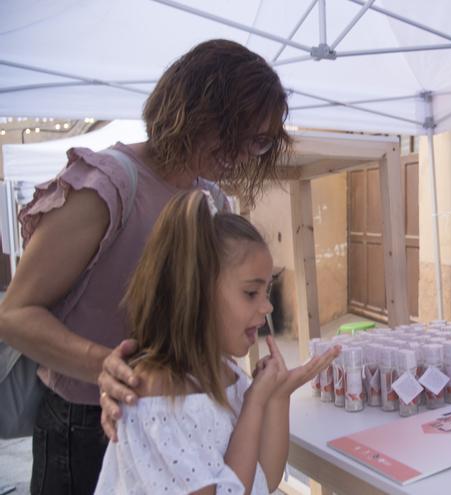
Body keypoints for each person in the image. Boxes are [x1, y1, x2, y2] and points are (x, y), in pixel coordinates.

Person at [0, 39, 290, 494]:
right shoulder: (107, 186)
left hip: (179, 415)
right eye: (236, 132)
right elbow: (15, 315)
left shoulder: (211, 200)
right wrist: (105, 366)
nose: (240, 153)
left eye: (257, 141)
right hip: (90, 426)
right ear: (193, 109)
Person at [92, 190, 338, 494]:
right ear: (196, 294)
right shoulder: (159, 394)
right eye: (251, 293)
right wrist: (254, 402)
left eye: (266, 292)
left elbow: (264, 479)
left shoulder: (226, 373)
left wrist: (277, 396)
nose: (268, 307)